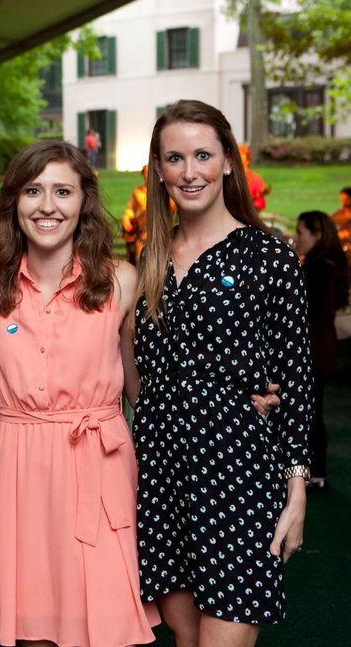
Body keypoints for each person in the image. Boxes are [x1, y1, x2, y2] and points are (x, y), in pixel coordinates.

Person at [131, 100, 312, 646]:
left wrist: (296, 491)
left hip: (237, 473)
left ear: (229, 162)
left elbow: (297, 380)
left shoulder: (268, 258)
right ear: (158, 169)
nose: (190, 172)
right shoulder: (151, 258)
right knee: (186, 641)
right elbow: (138, 368)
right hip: (161, 472)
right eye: (175, 158)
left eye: (203, 155)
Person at [0, 140, 159, 647]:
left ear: (84, 202)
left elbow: (143, 384)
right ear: (14, 202)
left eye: (63, 191)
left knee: (104, 621)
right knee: (32, 622)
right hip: (19, 465)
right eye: (33, 191)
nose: (47, 206)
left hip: (97, 462)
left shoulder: (121, 281)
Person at [294, 211, 350, 491]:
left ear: (316, 235)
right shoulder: (327, 264)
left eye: (300, 232)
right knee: (311, 409)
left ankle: (315, 472)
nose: (296, 237)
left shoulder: (318, 268)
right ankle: (314, 471)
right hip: (320, 345)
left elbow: (303, 307)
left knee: (310, 411)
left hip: (313, 347)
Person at [121, 165, 149, 265]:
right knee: (140, 259)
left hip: (158, 230)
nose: (148, 175)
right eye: (146, 173)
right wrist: (126, 218)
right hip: (142, 231)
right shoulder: (137, 192)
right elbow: (130, 209)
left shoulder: (163, 190)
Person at [238, 144, 270, 212]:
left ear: (247, 161)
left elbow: (260, 204)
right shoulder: (225, 179)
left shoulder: (256, 180)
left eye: (241, 160)